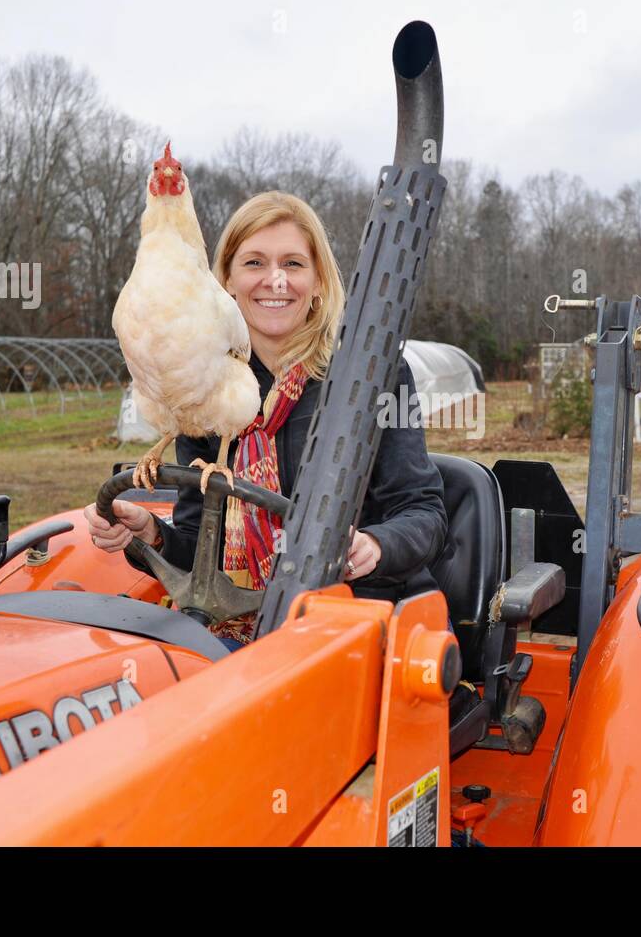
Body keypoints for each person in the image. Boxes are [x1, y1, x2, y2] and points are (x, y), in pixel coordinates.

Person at [84, 191, 447, 648]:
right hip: (243, 627)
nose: (275, 281)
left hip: (358, 612)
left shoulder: (372, 375)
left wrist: (374, 545)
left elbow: (423, 512)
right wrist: (152, 534)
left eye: (293, 264)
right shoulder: (205, 381)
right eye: (254, 263)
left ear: (318, 282)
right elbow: (203, 541)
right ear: (227, 282)